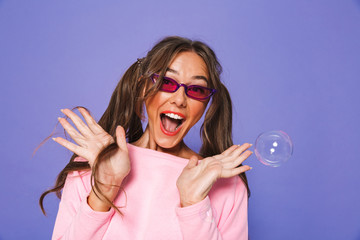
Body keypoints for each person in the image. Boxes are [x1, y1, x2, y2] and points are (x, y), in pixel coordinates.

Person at [40, 36, 253, 239]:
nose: (179, 100)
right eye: (167, 82)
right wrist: (104, 188)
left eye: (196, 90)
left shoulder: (226, 183)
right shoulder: (94, 163)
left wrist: (193, 204)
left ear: (206, 103)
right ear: (143, 86)